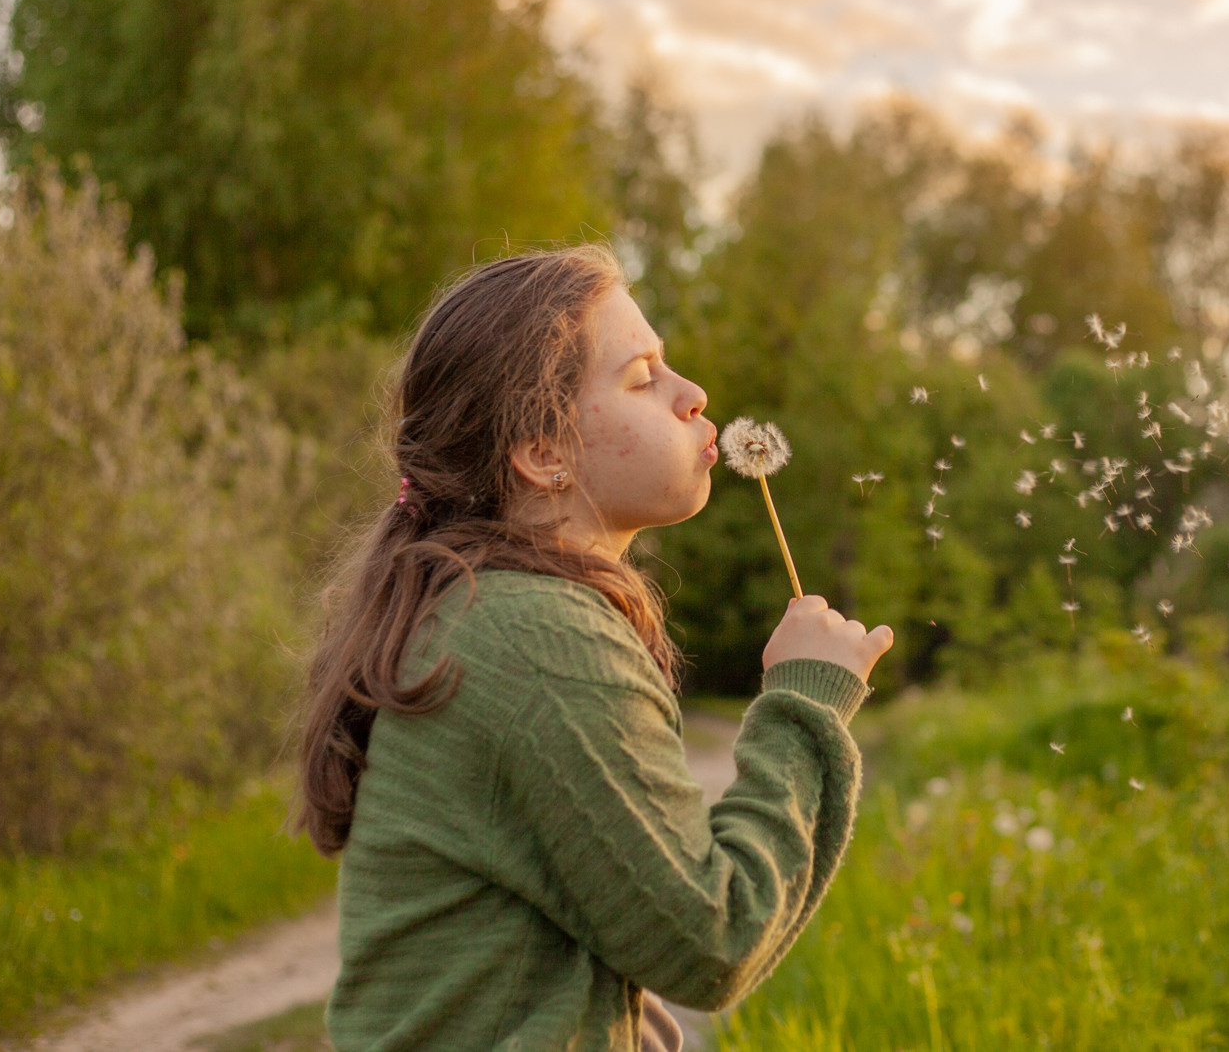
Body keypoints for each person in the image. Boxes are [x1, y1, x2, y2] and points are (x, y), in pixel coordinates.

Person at [292, 246, 894, 1051]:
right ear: (542, 452)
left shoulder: (487, 611)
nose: (693, 395)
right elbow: (716, 935)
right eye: (643, 377)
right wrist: (805, 703)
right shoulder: (537, 637)